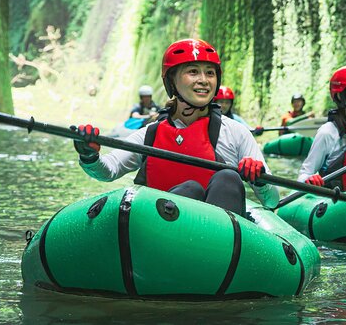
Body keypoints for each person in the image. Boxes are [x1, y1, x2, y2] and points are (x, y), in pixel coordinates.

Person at [73, 39, 278, 217]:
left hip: (218, 246)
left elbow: (271, 201)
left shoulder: (235, 132)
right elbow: (108, 171)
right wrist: (89, 155)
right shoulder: (150, 134)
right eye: (193, 72)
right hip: (160, 233)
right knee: (190, 190)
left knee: (228, 178)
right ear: (172, 80)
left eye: (209, 73)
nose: (204, 80)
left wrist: (259, 180)